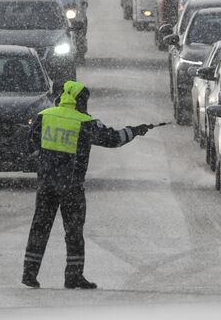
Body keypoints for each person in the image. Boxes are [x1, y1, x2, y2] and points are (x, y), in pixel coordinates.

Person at [23, 80, 153, 289]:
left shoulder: (44, 116)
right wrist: (134, 131)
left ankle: (29, 273)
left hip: (46, 184)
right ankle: (73, 276)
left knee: (39, 227)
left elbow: (31, 144)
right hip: (71, 186)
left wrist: (47, 161)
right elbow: (113, 139)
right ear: (79, 101)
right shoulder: (84, 122)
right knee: (73, 231)